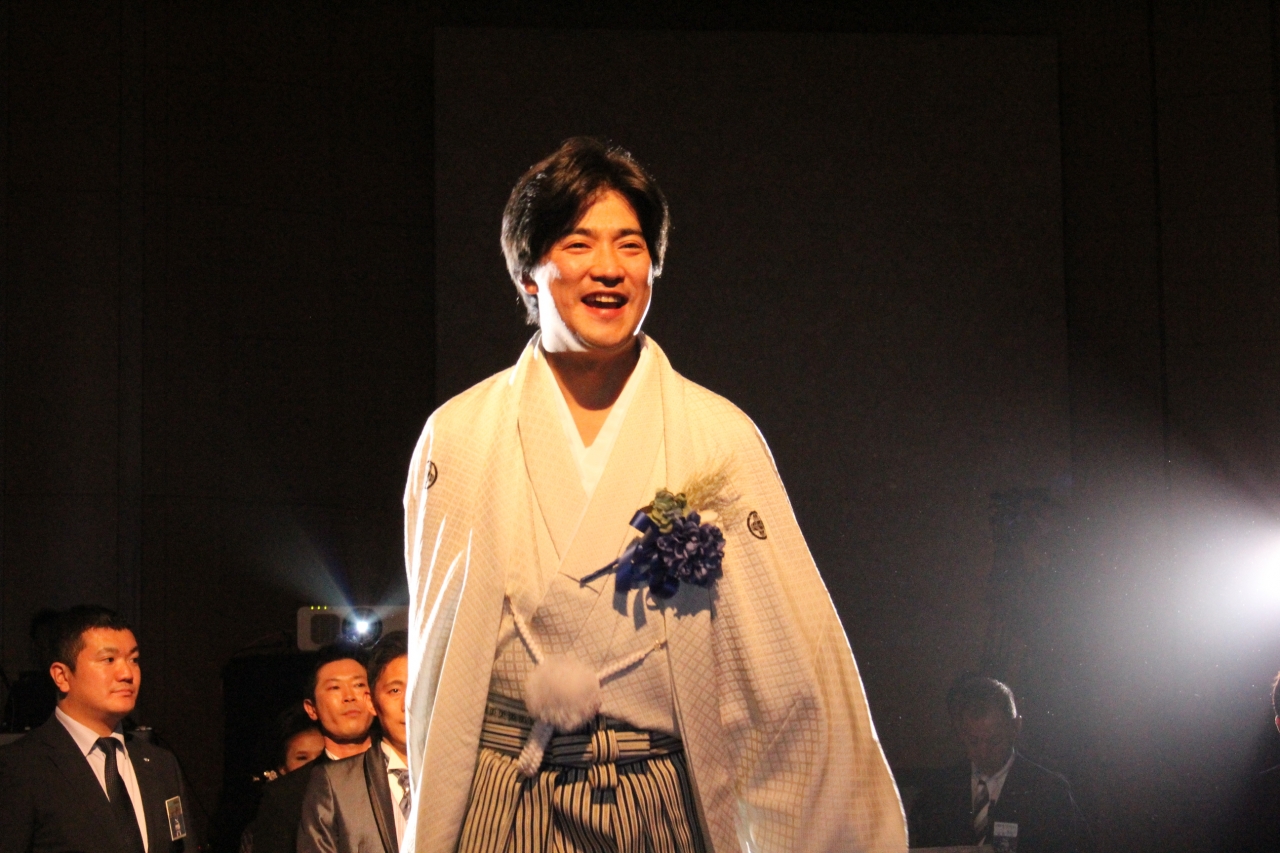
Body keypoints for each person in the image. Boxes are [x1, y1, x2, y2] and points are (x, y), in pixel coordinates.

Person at [403, 137, 906, 852]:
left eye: (631, 245)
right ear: (529, 273)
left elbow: (787, 667)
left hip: (653, 799)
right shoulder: (458, 436)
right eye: (578, 243)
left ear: (654, 267)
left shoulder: (717, 436)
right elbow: (438, 670)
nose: (609, 267)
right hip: (505, 796)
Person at [0, 605, 198, 853]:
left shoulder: (160, 765)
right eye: (108, 660)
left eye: (133, 660)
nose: (127, 673)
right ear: (62, 676)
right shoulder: (20, 768)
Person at [908, 675, 1088, 852]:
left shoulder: (1049, 791)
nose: (983, 752)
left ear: (1015, 727)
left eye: (994, 741)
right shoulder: (937, 792)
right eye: (973, 742)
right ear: (960, 733)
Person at [246, 643, 374, 853]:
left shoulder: (405, 772)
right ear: (311, 709)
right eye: (334, 687)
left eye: (359, 685)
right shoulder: (287, 795)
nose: (349, 696)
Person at [299, 631, 410, 853]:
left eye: (420, 686)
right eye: (395, 690)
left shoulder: (466, 773)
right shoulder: (335, 783)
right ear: (371, 702)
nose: (408, 703)